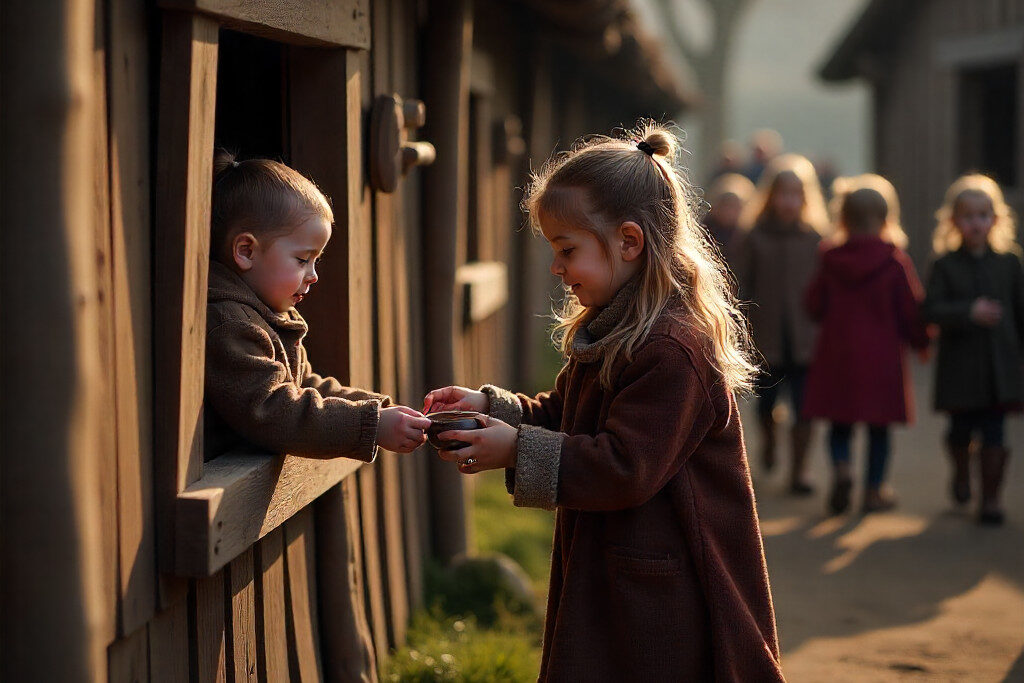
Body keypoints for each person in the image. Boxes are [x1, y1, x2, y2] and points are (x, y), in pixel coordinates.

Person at [422, 123, 785, 682]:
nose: (556, 267)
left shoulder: (671, 349)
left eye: (567, 250)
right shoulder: (616, 330)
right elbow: (566, 416)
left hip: (671, 597)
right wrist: (496, 412)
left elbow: (624, 467)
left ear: (629, 242)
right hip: (625, 576)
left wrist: (517, 449)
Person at [204, 150, 430, 462]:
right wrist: (371, 424)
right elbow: (273, 408)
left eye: (316, 260)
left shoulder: (270, 317)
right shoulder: (229, 324)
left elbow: (306, 385)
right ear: (246, 251)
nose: (313, 276)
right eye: (302, 259)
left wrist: (379, 410)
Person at [802, 176, 929, 514]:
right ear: (888, 216)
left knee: (839, 425)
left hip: (838, 356)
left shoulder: (830, 258)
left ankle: (843, 469)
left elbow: (814, 305)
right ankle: (874, 491)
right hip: (881, 360)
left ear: (842, 216)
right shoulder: (894, 261)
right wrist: (923, 342)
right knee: (879, 431)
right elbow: (911, 310)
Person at [923, 173, 1023, 526]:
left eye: (983, 215)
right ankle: (962, 474)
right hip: (961, 368)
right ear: (954, 221)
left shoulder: (1009, 263)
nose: (976, 223)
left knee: (995, 432)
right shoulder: (944, 264)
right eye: (968, 216)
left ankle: (991, 499)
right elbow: (930, 310)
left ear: (996, 219)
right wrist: (967, 312)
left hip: (999, 367)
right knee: (960, 431)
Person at [735, 153, 830, 494]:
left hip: (807, 339)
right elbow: (740, 285)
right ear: (770, 196)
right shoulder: (754, 236)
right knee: (766, 404)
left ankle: (800, 469)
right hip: (766, 338)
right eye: (783, 194)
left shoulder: (816, 239)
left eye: (797, 194)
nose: (790, 201)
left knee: (805, 408)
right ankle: (770, 441)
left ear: (807, 198)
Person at [702, 172, 756, 271]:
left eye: (735, 206)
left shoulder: (750, 237)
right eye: (726, 204)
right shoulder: (703, 232)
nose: (729, 211)